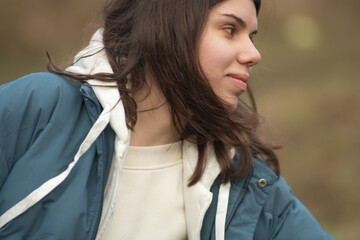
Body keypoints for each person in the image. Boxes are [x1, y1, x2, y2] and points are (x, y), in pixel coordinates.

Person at [0, 0, 333, 239]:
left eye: (252, 36)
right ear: (171, 26)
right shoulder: (37, 109)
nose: (253, 54)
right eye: (230, 29)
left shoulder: (246, 180)